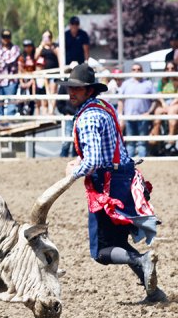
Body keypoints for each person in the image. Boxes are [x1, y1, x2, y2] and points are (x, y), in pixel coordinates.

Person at [59, 63, 166, 304]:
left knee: (101, 251)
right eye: (70, 88)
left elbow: (95, 160)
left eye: (77, 89)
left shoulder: (86, 117)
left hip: (107, 185)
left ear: (89, 90)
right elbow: (107, 149)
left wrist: (73, 172)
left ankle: (142, 261)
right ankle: (154, 292)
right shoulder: (104, 108)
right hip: (124, 178)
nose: (72, 93)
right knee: (118, 242)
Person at [117, 63, 156, 158]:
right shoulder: (126, 84)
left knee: (142, 142)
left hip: (143, 117)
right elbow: (120, 101)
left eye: (138, 69)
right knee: (130, 142)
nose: (136, 71)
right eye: (134, 69)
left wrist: (149, 112)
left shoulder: (148, 84)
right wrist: (121, 116)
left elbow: (155, 100)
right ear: (131, 71)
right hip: (129, 117)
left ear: (142, 71)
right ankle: (130, 161)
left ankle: (143, 162)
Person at [0, 29, 20, 116]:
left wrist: (0, 62)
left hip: (11, 80)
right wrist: (2, 62)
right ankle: (0, 122)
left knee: (11, 104)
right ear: (1, 38)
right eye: (4, 37)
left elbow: (12, 59)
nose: (6, 39)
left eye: (7, 37)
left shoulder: (15, 48)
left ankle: (10, 122)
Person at [149, 61, 178, 155]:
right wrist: (164, 103)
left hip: (174, 102)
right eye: (168, 68)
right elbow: (159, 93)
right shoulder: (162, 80)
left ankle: (170, 137)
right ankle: (156, 136)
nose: (170, 70)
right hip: (164, 102)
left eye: (172, 68)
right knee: (157, 112)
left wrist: (171, 104)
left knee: (172, 112)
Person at [56, 61, 79, 157]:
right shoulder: (64, 85)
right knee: (67, 138)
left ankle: (72, 156)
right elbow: (59, 103)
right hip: (70, 115)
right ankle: (63, 156)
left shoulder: (81, 86)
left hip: (78, 115)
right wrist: (66, 112)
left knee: (77, 139)